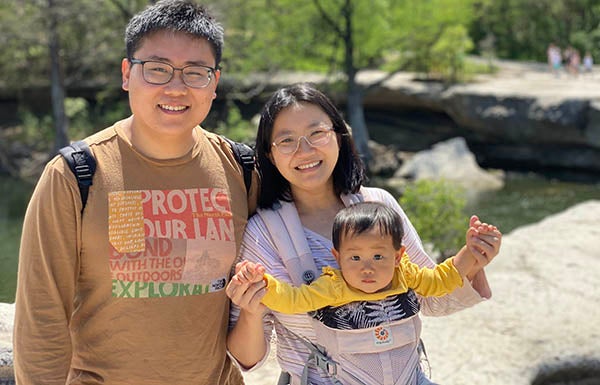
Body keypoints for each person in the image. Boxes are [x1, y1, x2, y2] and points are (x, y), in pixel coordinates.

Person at [13, 1, 256, 384]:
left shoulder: (241, 169)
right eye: (157, 69)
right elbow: (41, 316)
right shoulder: (74, 175)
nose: (176, 87)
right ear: (127, 74)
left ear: (215, 83)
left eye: (195, 72)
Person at [226, 83, 502, 384]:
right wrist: (251, 310)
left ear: (339, 137)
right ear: (270, 154)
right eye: (287, 141)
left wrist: (473, 258)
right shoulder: (263, 233)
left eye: (316, 133)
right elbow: (248, 359)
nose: (304, 150)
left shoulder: (379, 206)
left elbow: (431, 297)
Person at [233, 202, 500, 314]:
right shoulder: (334, 286)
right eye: (355, 258)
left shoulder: (404, 274)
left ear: (398, 256)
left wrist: (471, 252)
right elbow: (293, 301)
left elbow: (441, 281)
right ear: (337, 258)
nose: (367, 268)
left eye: (378, 256)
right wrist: (263, 281)